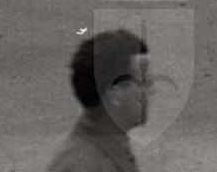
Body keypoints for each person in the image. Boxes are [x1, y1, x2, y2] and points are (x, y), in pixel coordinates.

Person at [47, 27, 149, 171]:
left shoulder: (110, 143)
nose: (152, 90)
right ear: (116, 95)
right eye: (143, 82)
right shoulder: (85, 165)